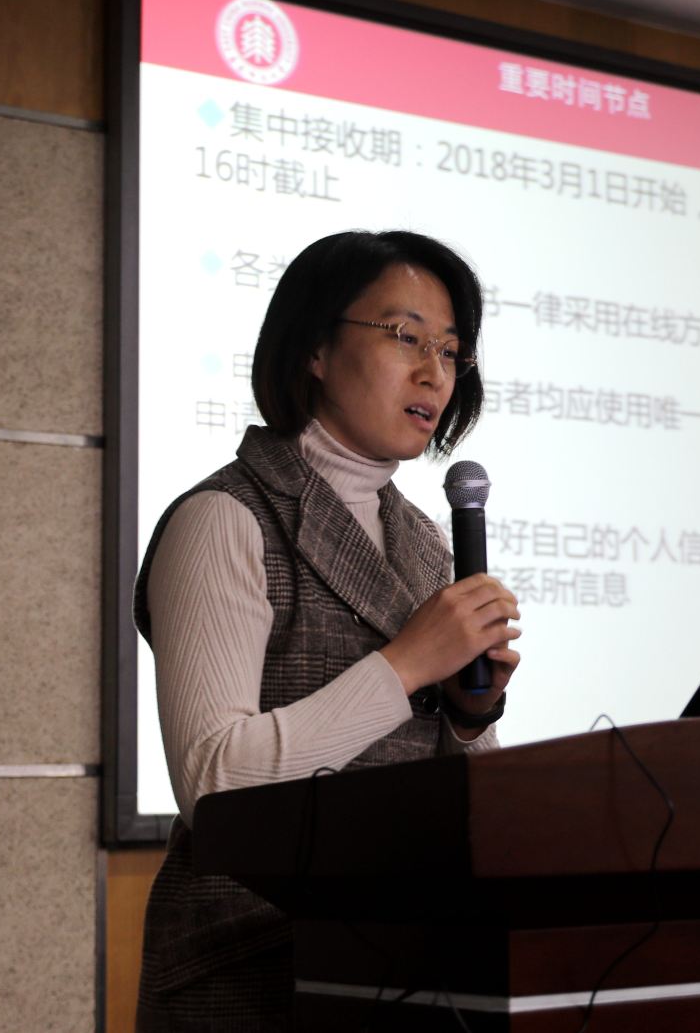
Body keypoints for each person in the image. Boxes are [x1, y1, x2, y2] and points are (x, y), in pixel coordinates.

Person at [132, 230, 520, 1030]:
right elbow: (214, 786)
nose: (434, 372)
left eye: (451, 351)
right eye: (406, 336)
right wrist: (405, 667)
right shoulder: (225, 517)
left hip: (407, 965)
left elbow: (454, 802)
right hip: (255, 974)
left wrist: (467, 716)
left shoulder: (423, 539)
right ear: (313, 347)